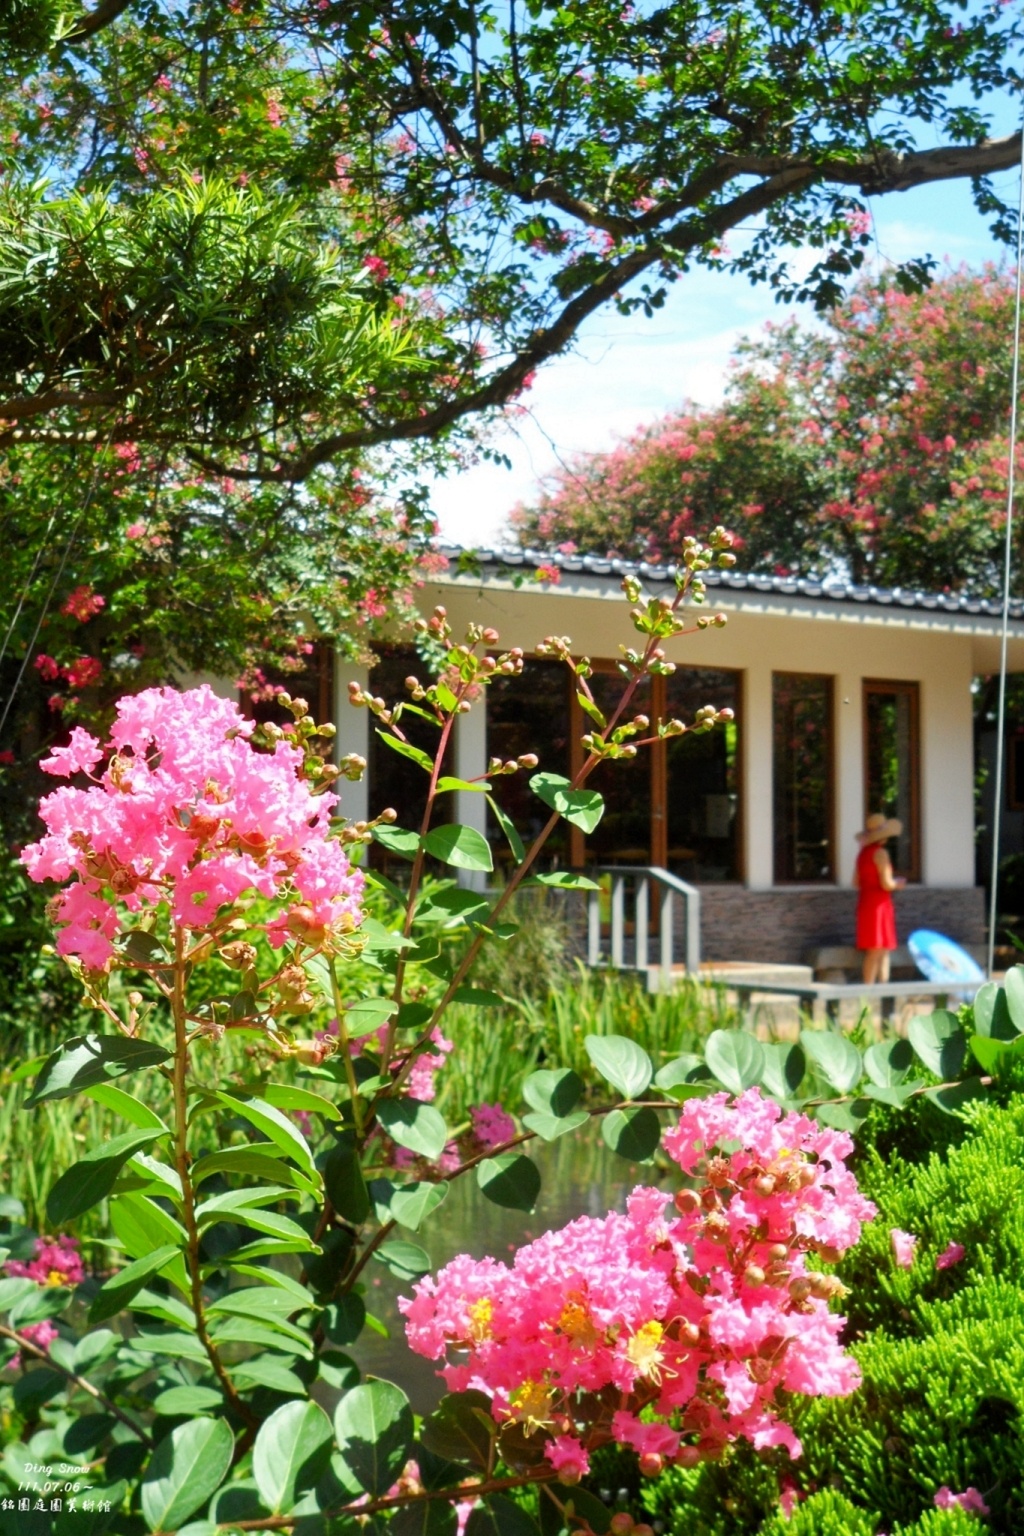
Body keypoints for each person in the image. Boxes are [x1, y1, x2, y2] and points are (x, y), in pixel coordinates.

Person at [853, 813, 906, 984]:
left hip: (866, 901)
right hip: (880, 903)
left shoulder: (862, 854)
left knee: (878, 949)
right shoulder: (881, 853)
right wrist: (898, 883)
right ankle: (875, 992)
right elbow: (886, 883)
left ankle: (872, 992)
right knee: (880, 950)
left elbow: (855, 882)